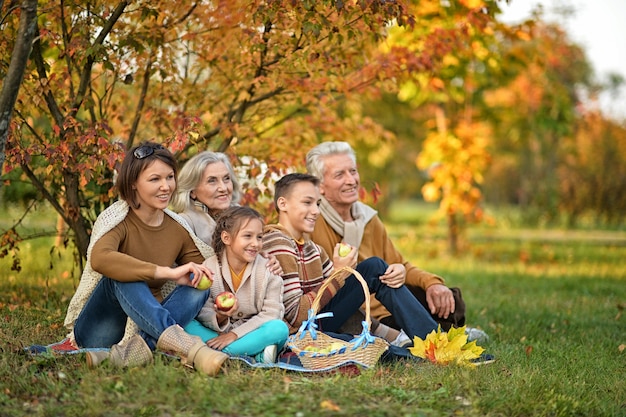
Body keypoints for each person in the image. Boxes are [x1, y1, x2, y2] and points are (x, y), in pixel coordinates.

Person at [63, 142, 228, 376]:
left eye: (170, 177)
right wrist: (166, 272)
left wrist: (257, 259)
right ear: (133, 183)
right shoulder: (118, 219)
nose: (165, 186)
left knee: (198, 285)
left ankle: (125, 354)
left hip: (145, 327)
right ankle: (190, 348)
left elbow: (208, 266)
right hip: (100, 330)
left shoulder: (176, 227)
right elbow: (101, 259)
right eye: (154, 179)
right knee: (122, 276)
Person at [305, 141, 488, 341]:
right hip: (360, 311)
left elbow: (399, 264)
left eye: (353, 171)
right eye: (340, 175)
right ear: (320, 186)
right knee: (376, 274)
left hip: (389, 297)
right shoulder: (312, 221)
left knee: (449, 299)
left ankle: (434, 333)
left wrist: (431, 284)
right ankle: (437, 339)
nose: (351, 180)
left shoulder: (367, 218)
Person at [262, 173, 439, 344]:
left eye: (318, 204)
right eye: (307, 203)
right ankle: (431, 343)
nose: (316, 211)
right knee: (378, 350)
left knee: (374, 268)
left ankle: (430, 340)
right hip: (299, 334)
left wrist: (397, 269)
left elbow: (338, 296)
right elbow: (297, 315)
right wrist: (338, 273)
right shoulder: (278, 242)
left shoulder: (312, 249)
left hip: (319, 323)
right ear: (283, 204)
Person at [184, 206, 289, 363]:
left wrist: (234, 335)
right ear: (226, 238)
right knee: (187, 323)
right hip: (216, 334)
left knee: (279, 329)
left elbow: (272, 313)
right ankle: (253, 355)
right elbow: (203, 309)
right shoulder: (210, 267)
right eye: (248, 236)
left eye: (259, 237)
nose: (255, 243)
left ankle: (216, 355)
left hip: (251, 333)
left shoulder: (268, 269)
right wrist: (220, 316)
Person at [170, 150, 282, 275]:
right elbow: (168, 273)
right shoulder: (183, 224)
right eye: (212, 181)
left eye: (226, 179)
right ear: (192, 191)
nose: (223, 188)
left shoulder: (243, 216)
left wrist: (265, 260)